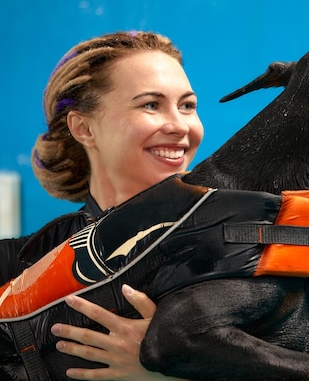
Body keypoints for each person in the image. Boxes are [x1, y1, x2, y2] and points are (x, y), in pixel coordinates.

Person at [0, 31, 203, 380]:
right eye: (150, 105)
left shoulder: (235, 249)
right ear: (83, 128)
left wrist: (168, 373)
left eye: (187, 105)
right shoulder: (14, 265)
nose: (179, 125)